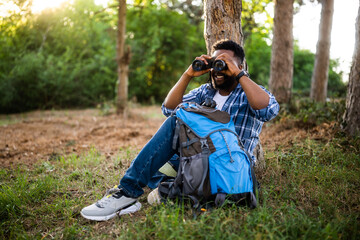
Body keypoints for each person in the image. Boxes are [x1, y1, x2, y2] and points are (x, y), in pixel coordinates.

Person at [80, 40, 280, 221]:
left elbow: (268, 110)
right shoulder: (205, 91)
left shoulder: (249, 92)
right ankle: (174, 190)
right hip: (196, 161)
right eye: (214, 64)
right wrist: (188, 75)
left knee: (177, 122)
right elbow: (168, 108)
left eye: (224, 63)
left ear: (240, 66)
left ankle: (127, 192)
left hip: (227, 166)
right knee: (154, 167)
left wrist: (238, 73)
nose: (218, 69)